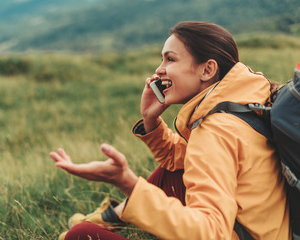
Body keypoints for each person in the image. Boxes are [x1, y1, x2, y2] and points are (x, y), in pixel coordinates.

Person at [50, 21, 290, 240]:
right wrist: (150, 120)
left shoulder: (216, 130)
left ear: (207, 70)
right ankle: (113, 215)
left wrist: (128, 183)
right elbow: (184, 159)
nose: (159, 69)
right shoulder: (246, 104)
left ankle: (109, 216)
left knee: (80, 236)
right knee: (173, 172)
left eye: (170, 59)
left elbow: (212, 233)